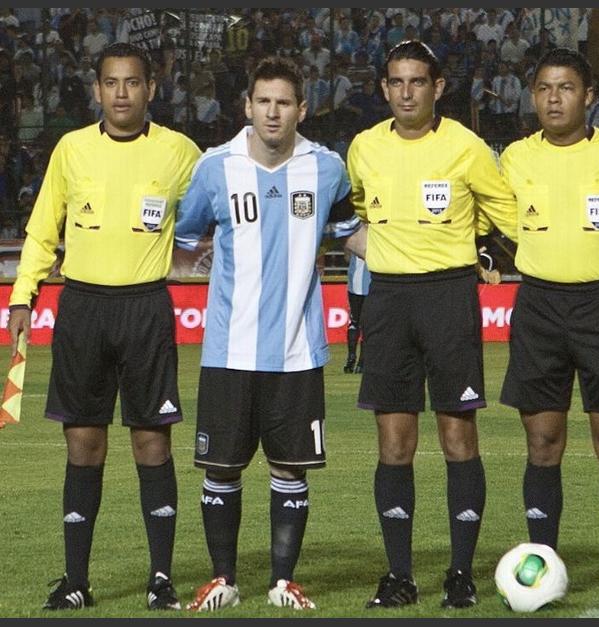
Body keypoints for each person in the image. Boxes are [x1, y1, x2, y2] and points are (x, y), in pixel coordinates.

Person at [7, 42, 201, 611]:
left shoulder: (180, 152)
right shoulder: (71, 149)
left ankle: (161, 580)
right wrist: (23, 295)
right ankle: (76, 581)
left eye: (132, 82)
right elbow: (43, 230)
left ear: (150, 89)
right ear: (97, 90)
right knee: (84, 443)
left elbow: (217, 205)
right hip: (83, 309)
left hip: (145, 308)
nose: (121, 93)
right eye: (111, 82)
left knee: (151, 440)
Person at [175, 56, 366, 612]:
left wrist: (425, 256)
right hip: (228, 348)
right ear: (247, 106)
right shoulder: (216, 167)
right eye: (264, 101)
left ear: (301, 108)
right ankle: (223, 580)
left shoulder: (326, 169)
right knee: (221, 466)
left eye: (284, 102)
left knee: (290, 466)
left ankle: (284, 582)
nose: (273, 112)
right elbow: (183, 240)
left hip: (296, 350)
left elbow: (353, 235)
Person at [346, 40, 517, 609]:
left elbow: (506, 213)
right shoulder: (364, 147)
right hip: (388, 300)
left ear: (437, 87)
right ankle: (399, 575)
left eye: (417, 81)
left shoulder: (466, 147)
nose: (406, 92)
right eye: (396, 82)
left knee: (457, 436)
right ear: (384, 88)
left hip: (449, 297)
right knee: (393, 441)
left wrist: (485, 250)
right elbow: (355, 212)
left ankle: (460, 573)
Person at [498, 47, 599, 608]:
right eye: (543, 89)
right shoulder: (514, 158)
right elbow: (496, 219)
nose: (553, 99)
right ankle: (541, 566)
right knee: (542, 443)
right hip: (538, 306)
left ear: (589, 96)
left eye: (565, 88)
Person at [345, 252, 371, 374]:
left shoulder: (354, 241)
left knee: (354, 322)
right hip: (370, 284)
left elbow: (347, 256)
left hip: (354, 284)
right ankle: (362, 362)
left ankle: (351, 357)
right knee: (368, 325)